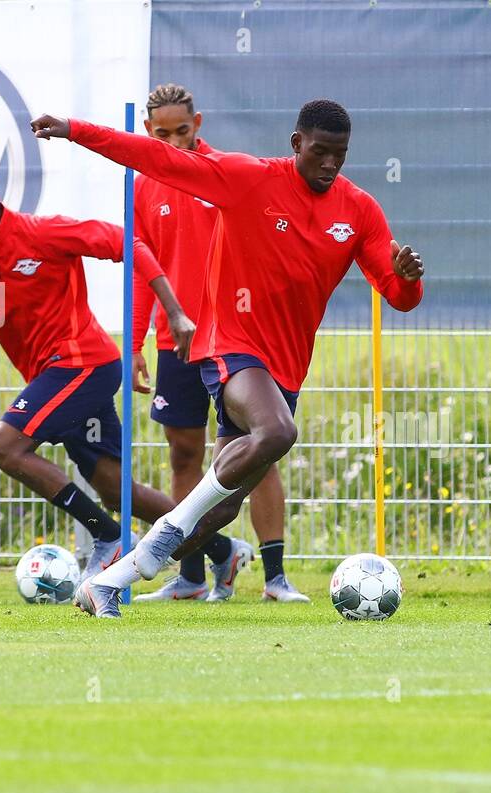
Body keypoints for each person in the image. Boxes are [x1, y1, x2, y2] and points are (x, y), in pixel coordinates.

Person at [30, 100, 425, 618]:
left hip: (286, 365)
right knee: (279, 432)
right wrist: (77, 131)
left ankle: (109, 581)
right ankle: (158, 551)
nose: (330, 164)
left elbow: (396, 294)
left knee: (221, 508)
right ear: (296, 144)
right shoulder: (248, 179)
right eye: (321, 152)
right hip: (229, 345)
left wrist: (410, 279)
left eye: (340, 155)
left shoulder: (359, 210)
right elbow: (156, 159)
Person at [0, 164, 192, 575]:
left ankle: (108, 536)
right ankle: (221, 550)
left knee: (4, 447)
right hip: (51, 376)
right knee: (116, 489)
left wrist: (174, 312)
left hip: (83, 363)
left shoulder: (43, 233)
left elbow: (130, 243)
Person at [129, 83, 307, 603]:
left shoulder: (226, 174)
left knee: (258, 450)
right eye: (162, 134)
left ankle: (274, 578)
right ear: (147, 133)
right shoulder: (142, 189)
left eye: (182, 131)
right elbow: (142, 268)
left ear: (198, 123)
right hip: (175, 343)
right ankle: (189, 578)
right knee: (184, 456)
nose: (174, 142)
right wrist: (135, 341)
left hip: (233, 339)